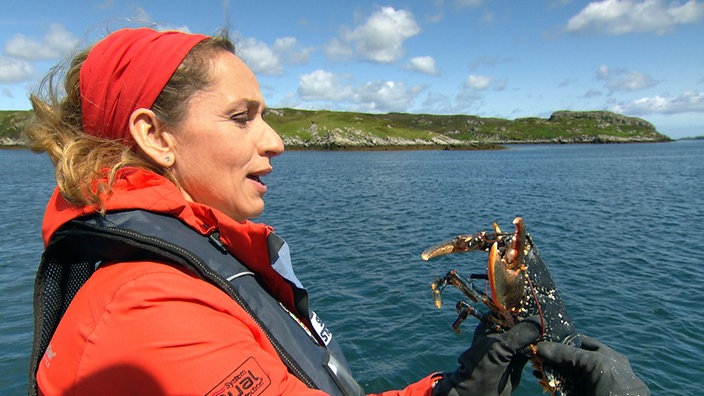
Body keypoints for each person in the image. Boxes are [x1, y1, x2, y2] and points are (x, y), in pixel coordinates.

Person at [25, 28, 649, 396]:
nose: (275, 141)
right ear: (155, 135)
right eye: (242, 117)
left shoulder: (185, 269)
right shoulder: (149, 316)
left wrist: (453, 391)